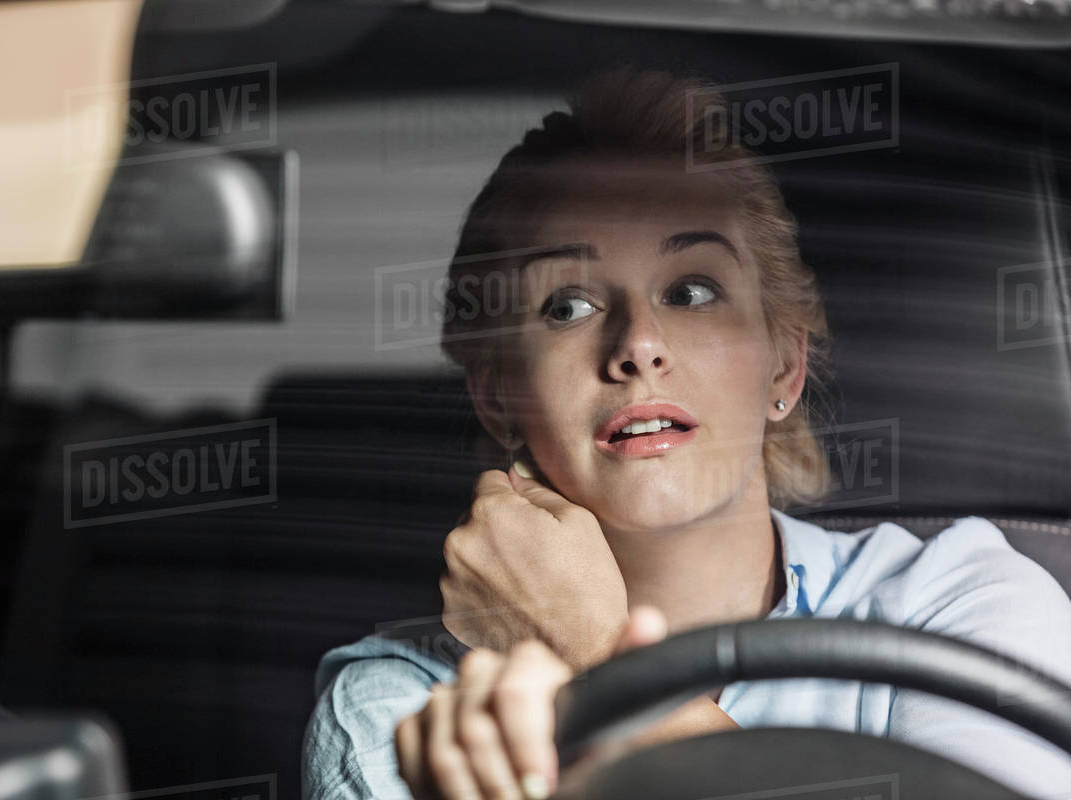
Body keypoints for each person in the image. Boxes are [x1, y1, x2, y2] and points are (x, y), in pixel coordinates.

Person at [303, 69, 1071, 800]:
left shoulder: (958, 604)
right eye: (567, 307)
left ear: (784, 368)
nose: (639, 343)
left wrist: (598, 653)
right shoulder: (402, 707)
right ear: (499, 395)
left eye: (692, 290)